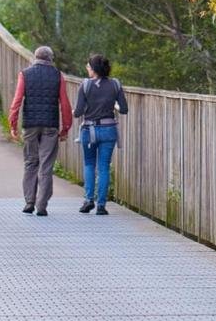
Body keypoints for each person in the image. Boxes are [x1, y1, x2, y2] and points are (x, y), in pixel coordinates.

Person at [8, 44, 72, 216]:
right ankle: (42, 205)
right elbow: (65, 103)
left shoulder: (25, 74)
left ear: (35, 58)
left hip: (30, 125)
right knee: (46, 165)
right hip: (50, 125)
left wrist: (12, 124)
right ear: (50, 59)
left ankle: (29, 201)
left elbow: (17, 100)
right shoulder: (58, 76)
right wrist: (66, 127)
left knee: (30, 162)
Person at [73, 53, 128, 214]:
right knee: (104, 167)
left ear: (94, 69)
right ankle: (102, 205)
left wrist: (76, 111)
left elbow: (78, 112)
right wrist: (114, 107)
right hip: (109, 130)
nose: (87, 69)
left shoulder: (85, 85)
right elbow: (124, 109)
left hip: (89, 130)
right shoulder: (115, 84)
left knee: (89, 164)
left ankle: (88, 200)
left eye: (88, 66)